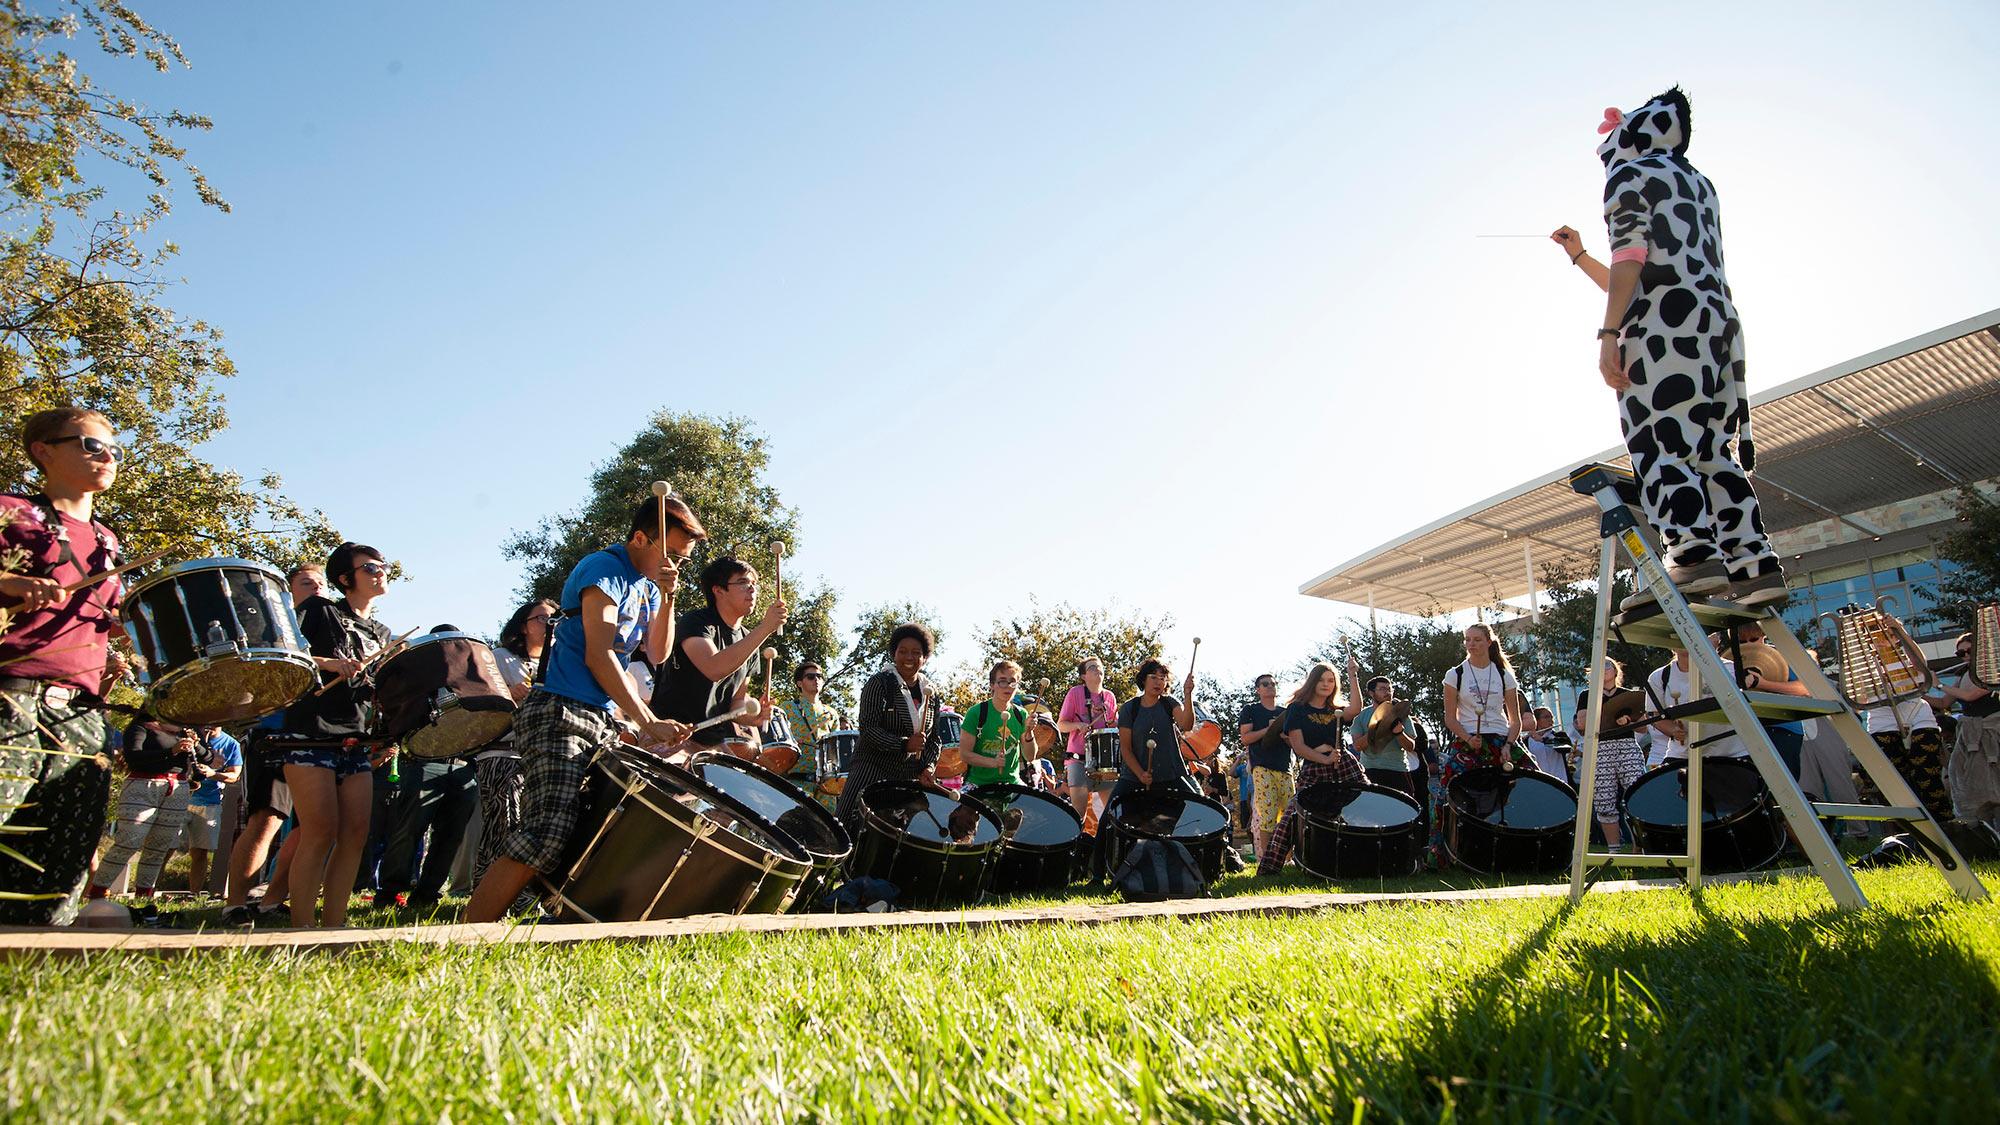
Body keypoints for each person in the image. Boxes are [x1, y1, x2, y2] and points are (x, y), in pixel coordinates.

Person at [1551, 87, 1786, 612]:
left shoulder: (1628, 175)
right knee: (1712, 449)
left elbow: (1631, 262)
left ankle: (1691, 553)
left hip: (1661, 330)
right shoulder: (1699, 182)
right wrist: (1580, 256)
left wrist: (1608, 336)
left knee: (1660, 442)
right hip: (1714, 323)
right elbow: (1643, 275)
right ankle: (1754, 562)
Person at [465, 497, 703, 923]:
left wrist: (668, 597)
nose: (676, 566)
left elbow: (658, 652)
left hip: (599, 718)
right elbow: (599, 654)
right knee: (544, 833)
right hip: (559, 710)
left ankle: (543, 924)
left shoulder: (649, 587)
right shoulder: (604, 568)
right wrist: (647, 721)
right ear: (640, 538)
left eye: (683, 561)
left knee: (585, 834)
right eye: (672, 555)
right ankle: (468, 934)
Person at [0, 408, 129, 925]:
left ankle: (40, 949)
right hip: (12, 692)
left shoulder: (107, 541)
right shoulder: (11, 512)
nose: (107, 457)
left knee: (64, 853)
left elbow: (101, 620)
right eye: (90, 445)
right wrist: (10, 584)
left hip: (81, 708)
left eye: (113, 450)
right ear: (44, 451)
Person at [282, 541, 395, 928]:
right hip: (313, 733)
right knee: (319, 831)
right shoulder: (320, 610)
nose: (380, 572)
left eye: (382, 565)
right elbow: (283, 653)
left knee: (356, 835)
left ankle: (334, 924)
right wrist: (328, 663)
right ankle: (300, 927)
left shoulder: (382, 631)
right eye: (370, 567)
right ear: (345, 579)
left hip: (356, 739)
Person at [221, 563, 325, 926]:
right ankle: (235, 904)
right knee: (267, 819)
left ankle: (271, 900)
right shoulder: (271, 627)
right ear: (288, 592)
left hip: (318, 738)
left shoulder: (334, 628)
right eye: (307, 582)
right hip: (274, 735)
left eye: (321, 583)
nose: (317, 588)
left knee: (313, 826)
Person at [375, 628, 480, 910]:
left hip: (463, 764)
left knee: (451, 835)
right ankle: (390, 892)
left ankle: (427, 894)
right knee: (409, 830)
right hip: (423, 761)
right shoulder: (416, 680)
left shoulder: (472, 681)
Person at [88, 722, 234, 900]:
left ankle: (144, 896)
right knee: (129, 841)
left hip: (178, 787)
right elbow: (133, 757)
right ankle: (97, 892)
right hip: (143, 785)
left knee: (159, 846)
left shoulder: (189, 728)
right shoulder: (142, 726)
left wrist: (197, 745)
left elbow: (209, 759)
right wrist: (171, 751)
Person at [651, 557, 786, 748]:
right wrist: (765, 628)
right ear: (719, 590)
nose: (752, 589)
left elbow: (736, 702)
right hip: (668, 733)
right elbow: (713, 667)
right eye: (743, 582)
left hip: (711, 740)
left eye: (754, 583)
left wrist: (754, 715)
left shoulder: (748, 640)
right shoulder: (696, 622)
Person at [1256, 661, 1367, 875]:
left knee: (1367, 803)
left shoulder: (1335, 709)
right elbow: (1298, 746)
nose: (1326, 684)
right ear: (1312, 682)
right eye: (1321, 680)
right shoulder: (1297, 709)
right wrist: (1324, 759)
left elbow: (1355, 709)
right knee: (1291, 816)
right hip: (1315, 767)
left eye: (1331, 680)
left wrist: (1353, 676)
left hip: (1344, 765)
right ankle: (1269, 869)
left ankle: (1367, 861)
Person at [471, 598, 551, 890]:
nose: (549, 624)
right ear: (523, 626)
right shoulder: (500, 657)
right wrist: (508, 692)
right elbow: (478, 698)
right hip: (502, 752)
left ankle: (519, 895)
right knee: (503, 824)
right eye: (541, 618)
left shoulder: (558, 664)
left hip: (540, 754)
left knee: (531, 827)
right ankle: (486, 895)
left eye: (554, 619)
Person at [834, 624, 946, 829]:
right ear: (894, 654)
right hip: (871, 770)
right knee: (847, 829)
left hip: (907, 778)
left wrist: (928, 766)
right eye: (902, 651)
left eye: (916, 653)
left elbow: (934, 738)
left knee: (898, 838)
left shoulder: (931, 692)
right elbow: (869, 729)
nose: (909, 657)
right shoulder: (879, 683)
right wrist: (904, 745)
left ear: (925, 658)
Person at [1433, 624, 1526, 863]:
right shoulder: (1455, 674)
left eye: (1476, 639)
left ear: (1488, 642)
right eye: (1467, 640)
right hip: (1468, 738)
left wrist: (1508, 745)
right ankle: (1443, 854)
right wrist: (1467, 738)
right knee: (1447, 791)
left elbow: (1515, 721)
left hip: (1501, 738)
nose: (1471, 644)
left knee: (1531, 782)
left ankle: (1525, 846)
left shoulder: (1504, 675)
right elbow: (1450, 718)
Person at [1574, 658, 1646, 849]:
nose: (1604, 669)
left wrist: (1629, 721)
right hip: (1600, 748)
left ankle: (1640, 845)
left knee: (1637, 794)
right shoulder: (1587, 695)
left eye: (1607, 666)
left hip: (1626, 746)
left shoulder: (1627, 695)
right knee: (1603, 800)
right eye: (1599, 666)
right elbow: (1582, 724)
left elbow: (1643, 727)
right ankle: (1614, 848)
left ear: (1615, 671)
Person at [1938, 632, 2000, 832]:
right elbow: (1943, 703)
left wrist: (1938, 684)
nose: (1965, 655)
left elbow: (1971, 695)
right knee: (1962, 776)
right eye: (1960, 653)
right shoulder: (1962, 673)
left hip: (1993, 730)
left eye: (1969, 650)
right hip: (1971, 734)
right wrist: (1918, 690)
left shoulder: (1992, 668)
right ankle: (1978, 828)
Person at [1349, 664, 1424, 811]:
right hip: (1370, 771)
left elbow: (1411, 747)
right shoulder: (1361, 716)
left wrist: (1399, 733)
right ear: (1371, 693)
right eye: (1382, 689)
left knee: (1402, 814)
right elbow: (1357, 746)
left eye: (1390, 689)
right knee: (1370, 814)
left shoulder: (1402, 714)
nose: (1388, 692)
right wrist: (1377, 728)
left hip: (1397, 771)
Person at [182, 725, 243, 895]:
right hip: (180, 798)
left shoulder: (231, 744)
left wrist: (212, 774)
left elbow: (235, 775)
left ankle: (194, 894)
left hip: (210, 802)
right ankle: (150, 891)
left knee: (200, 851)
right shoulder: (188, 734)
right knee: (167, 846)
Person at [1056, 658, 1118, 819]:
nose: (1098, 669)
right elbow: (1061, 725)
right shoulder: (1075, 693)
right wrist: (1078, 725)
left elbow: (1114, 726)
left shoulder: (1109, 696)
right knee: (1079, 813)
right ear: (1083, 676)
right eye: (1092, 667)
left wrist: (1111, 718)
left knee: (1112, 813)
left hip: (1105, 761)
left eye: (1100, 666)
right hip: (1078, 759)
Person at [1236, 672, 1288, 857]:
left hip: (1285, 768)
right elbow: (1245, 738)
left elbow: (1294, 741)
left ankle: (1287, 860)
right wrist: (1269, 730)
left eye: (1273, 683)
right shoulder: (1251, 710)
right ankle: (1266, 859)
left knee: (1288, 815)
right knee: (1267, 814)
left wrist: (1284, 735)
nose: (1270, 686)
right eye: (1265, 684)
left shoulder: (1285, 712)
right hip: (1262, 767)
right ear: (1258, 690)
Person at [959, 660, 1031, 789]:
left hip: (1012, 782)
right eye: (1002, 681)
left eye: (1013, 682)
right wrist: (992, 762)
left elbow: (1030, 756)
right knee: (959, 802)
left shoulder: (1021, 715)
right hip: (977, 783)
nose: (1008, 686)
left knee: (1033, 801)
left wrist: (1029, 731)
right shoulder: (976, 712)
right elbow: (964, 754)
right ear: (992, 685)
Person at [781, 661, 839, 781]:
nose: (816, 679)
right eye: (811, 677)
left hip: (826, 782)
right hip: (795, 780)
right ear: (799, 683)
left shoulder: (831, 713)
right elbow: (779, 740)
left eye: (819, 676)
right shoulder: (787, 707)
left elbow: (837, 747)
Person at [1522, 706, 1571, 781]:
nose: (1550, 720)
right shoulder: (1527, 741)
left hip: (1561, 779)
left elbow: (1566, 747)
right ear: (1536, 720)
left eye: (1551, 717)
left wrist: (1542, 740)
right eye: (1546, 717)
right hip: (1540, 781)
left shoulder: (1559, 735)